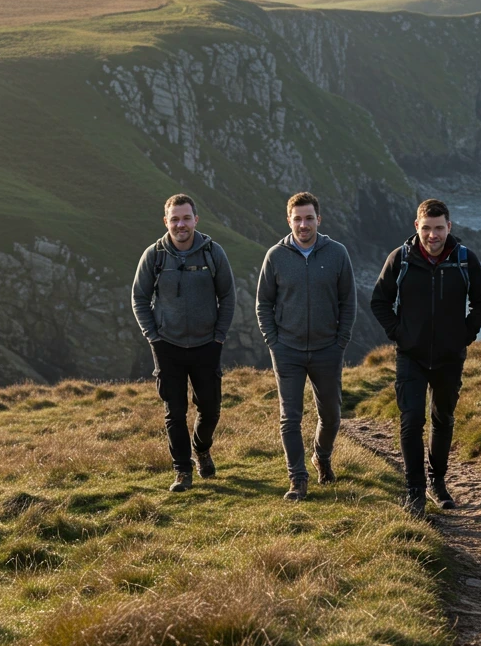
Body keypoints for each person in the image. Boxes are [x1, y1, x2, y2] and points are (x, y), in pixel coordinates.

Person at [370, 199, 481, 517]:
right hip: (410, 355)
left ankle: (437, 483)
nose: (433, 235)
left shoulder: (466, 260)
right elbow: (379, 301)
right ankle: (415, 491)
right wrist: (399, 333)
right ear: (417, 227)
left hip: (451, 356)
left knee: (443, 419)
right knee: (411, 422)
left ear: (449, 227)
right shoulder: (401, 259)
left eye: (439, 228)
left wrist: (465, 335)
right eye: (427, 228)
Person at [131, 193, 236, 492]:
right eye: (174, 219)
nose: (180, 225)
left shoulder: (213, 253)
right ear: (166, 222)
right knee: (174, 411)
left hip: (207, 345)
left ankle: (201, 448)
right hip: (167, 346)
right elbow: (139, 298)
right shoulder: (154, 255)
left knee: (211, 409)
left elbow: (228, 296)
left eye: (186, 218)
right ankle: (182, 470)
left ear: (196, 220)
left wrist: (218, 337)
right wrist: (153, 337)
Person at [255, 192, 357, 501]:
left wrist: (340, 343)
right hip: (287, 349)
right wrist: (274, 343)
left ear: (318, 220)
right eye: (297, 219)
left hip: (328, 349)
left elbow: (348, 303)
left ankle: (321, 457)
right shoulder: (275, 256)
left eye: (309, 218)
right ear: (289, 221)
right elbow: (264, 304)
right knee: (290, 417)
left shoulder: (337, 253)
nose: (303, 224)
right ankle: (297, 479)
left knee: (331, 415)